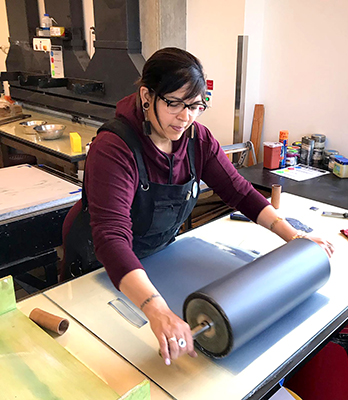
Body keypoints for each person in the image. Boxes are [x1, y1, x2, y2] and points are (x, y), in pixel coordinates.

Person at [62, 47, 334, 366]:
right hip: (98, 264)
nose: (185, 117)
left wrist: (294, 239)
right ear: (147, 96)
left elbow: (240, 192)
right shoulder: (115, 148)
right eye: (174, 103)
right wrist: (158, 310)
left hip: (155, 257)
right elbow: (111, 238)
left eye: (195, 105)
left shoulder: (196, 140)